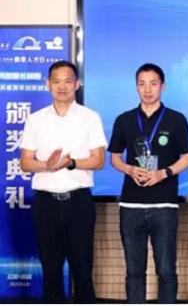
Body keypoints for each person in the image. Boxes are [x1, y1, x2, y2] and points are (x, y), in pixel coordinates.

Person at [19, 61, 107, 303]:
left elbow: (99, 160)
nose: (62, 86)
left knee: (82, 269)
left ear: (77, 84)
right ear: (47, 84)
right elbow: (25, 163)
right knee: (50, 270)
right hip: (45, 203)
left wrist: (71, 163)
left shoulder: (90, 118)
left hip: (78, 202)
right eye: (56, 81)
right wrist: (47, 165)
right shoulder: (35, 120)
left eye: (68, 81)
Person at [108, 63, 188, 304]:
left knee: (166, 271)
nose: (147, 90)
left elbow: (187, 157)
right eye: (142, 84)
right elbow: (114, 157)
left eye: (153, 84)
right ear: (136, 87)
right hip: (131, 206)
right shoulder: (124, 120)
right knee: (134, 272)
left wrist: (163, 173)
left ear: (162, 86)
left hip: (164, 205)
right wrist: (129, 169)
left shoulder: (176, 119)